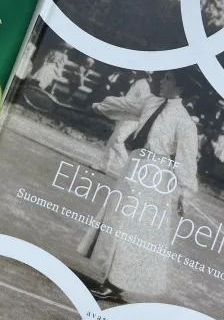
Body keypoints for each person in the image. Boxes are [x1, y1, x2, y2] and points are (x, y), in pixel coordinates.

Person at [85, 72, 199, 303]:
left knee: (135, 226)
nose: (162, 81)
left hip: (157, 175)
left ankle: (116, 284)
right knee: (118, 217)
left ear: (179, 88)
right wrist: (100, 106)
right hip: (134, 166)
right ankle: (109, 276)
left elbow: (187, 159)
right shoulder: (151, 102)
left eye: (168, 79)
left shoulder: (184, 121)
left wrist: (185, 193)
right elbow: (126, 106)